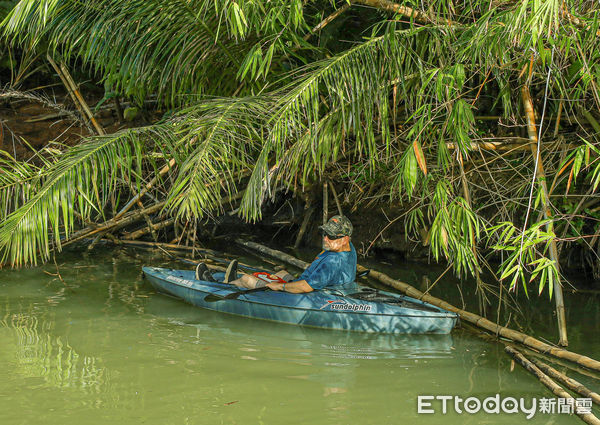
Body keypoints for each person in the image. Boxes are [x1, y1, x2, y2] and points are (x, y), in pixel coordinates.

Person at [220, 215, 357, 293]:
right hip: (326, 286)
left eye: (331, 236)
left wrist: (280, 286)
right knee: (280, 273)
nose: (325, 238)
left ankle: (223, 287)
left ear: (345, 239)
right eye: (325, 234)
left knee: (246, 279)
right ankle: (230, 282)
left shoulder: (333, 262)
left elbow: (306, 286)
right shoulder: (348, 248)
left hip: (309, 294)